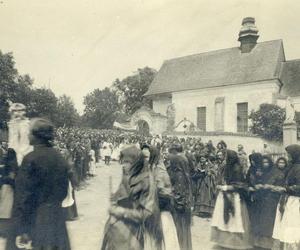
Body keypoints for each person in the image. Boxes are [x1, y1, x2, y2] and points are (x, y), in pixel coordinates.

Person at [8, 118, 70, 250]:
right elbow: (64, 191)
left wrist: (22, 228)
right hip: (57, 220)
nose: (28, 135)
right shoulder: (59, 157)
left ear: (37, 136)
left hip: (36, 221)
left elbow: (24, 197)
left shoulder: (31, 159)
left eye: (30, 132)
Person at [101, 145, 163, 250]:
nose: (123, 165)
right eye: (123, 162)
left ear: (136, 163)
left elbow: (147, 213)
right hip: (115, 233)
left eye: (127, 162)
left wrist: (122, 212)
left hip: (132, 235)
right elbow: (121, 197)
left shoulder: (147, 181)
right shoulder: (128, 175)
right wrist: (115, 199)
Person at [211, 150, 252, 250]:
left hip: (233, 197)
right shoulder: (227, 167)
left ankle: (235, 242)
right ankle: (225, 241)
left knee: (234, 219)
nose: (225, 158)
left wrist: (225, 187)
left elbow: (239, 185)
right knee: (224, 219)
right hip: (224, 195)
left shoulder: (236, 168)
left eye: (226, 156)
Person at [251, 155, 286, 249]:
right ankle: (258, 243)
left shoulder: (277, 173)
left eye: (267, 162)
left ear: (270, 163)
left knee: (268, 223)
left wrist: (269, 187)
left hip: (271, 201)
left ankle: (267, 245)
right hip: (261, 200)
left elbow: (280, 188)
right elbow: (256, 183)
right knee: (259, 222)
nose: (265, 164)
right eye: (263, 162)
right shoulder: (261, 173)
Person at [273, 145, 300, 250]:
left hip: (296, 202)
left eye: (289, 155)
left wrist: (286, 189)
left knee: (293, 227)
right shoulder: (292, 166)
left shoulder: (298, 168)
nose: (288, 157)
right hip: (290, 200)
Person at [167, 144, 193, 250]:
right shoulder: (184, 174)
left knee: (179, 230)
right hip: (184, 206)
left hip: (179, 209)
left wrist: (170, 194)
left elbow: (179, 195)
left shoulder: (179, 175)